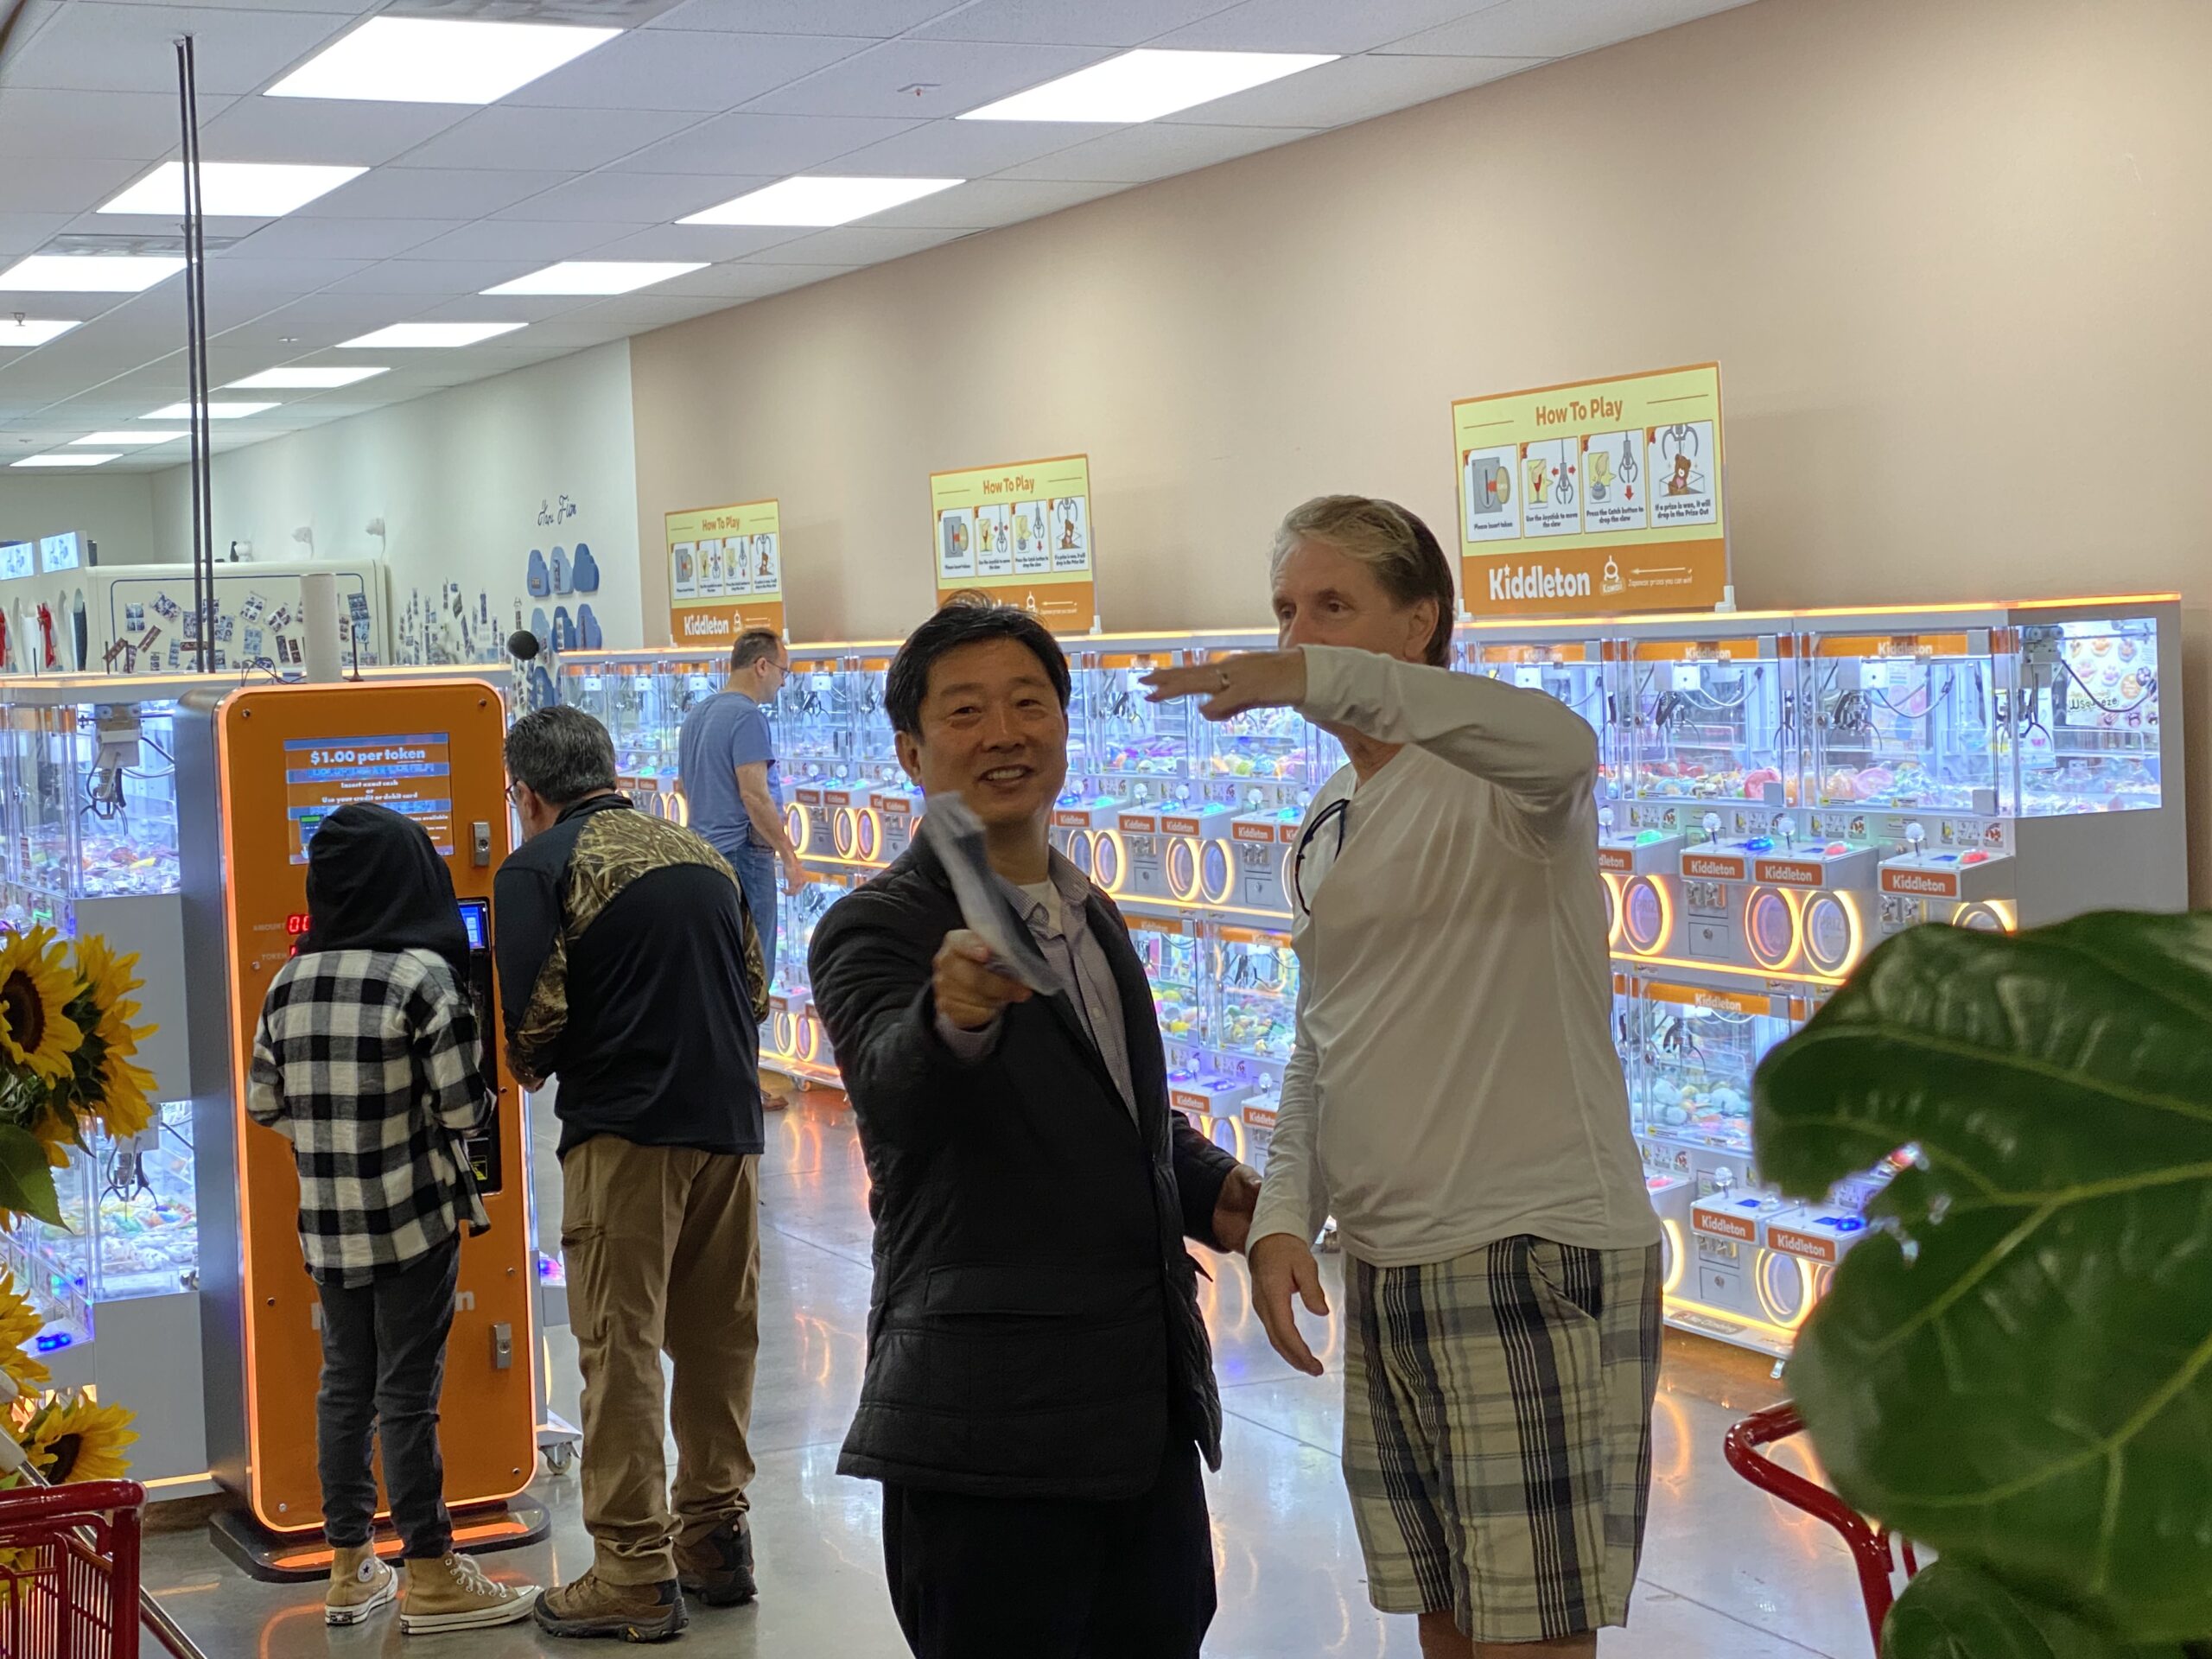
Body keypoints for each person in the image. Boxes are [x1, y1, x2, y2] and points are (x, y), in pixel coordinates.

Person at [1144, 496, 1663, 1659]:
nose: (1297, 637)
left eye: (1333, 606)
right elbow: (1325, 1035)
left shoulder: (1504, 783)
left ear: (1420, 622)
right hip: (1386, 1263)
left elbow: (1564, 742)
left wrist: (1320, 680)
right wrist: (1285, 1213)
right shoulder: (1332, 812)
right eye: (1286, 611)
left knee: (1530, 1632)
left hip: (1526, 1249)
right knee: (1443, 1619)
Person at [806, 603, 1262, 1659]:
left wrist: (1220, 1193)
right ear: (912, 752)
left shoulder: (1089, 912)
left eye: (1028, 703)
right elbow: (894, 1095)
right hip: (991, 1431)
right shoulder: (877, 926)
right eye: (965, 712)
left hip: (1141, 1417)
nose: (1004, 734)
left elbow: (1115, 1115)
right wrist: (954, 1017)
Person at [495, 705, 770, 1643]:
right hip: (730, 1127)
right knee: (719, 1339)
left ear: (528, 794)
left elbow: (532, 1030)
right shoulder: (700, 854)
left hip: (625, 1132)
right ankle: (715, 1539)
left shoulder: (538, 867)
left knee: (621, 1347)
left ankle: (631, 1570)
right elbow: (754, 987)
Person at [247, 803, 541, 1636]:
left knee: (344, 1385)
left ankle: (349, 1567)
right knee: (408, 1394)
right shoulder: (424, 979)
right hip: (414, 1219)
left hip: (329, 1224)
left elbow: (264, 1101)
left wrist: (335, 1135)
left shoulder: (289, 982)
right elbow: (463, 1109)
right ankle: (432, 1570)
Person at [677, 628, 804, 991]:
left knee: (721, 969)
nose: (783, 682)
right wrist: (789, 856)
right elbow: (755, 796)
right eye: (783, 671)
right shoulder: (747, 716)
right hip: (744, 854)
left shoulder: (697, 715)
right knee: (755, 972)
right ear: (762, 666)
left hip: (703, 853)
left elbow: (684, 786)